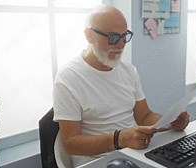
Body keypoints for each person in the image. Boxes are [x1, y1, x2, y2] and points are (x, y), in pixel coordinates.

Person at [53, 4, 189, 167]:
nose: (121, 45)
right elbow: (70, 143)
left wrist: (170, 122)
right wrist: (120, 139)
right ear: (89, 35)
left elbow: (144, 116)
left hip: (133, 153)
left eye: (124, 36)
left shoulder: (128, 71)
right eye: (112, 37)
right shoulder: (68, 78)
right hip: (96, 161)